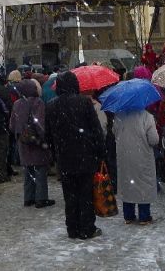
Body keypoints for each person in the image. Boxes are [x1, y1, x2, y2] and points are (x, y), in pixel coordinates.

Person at [46, 72, 105, 239]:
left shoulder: (51, 106)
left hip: (65, 157)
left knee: (70, 195)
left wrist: (55, 151)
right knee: (86, 194)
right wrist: (100, 152)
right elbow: (96, 130)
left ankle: (72, 227)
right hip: (86, 156)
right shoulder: (84, 103)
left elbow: (48, 134)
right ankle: (87, 227)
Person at [10, 79, 54, 209]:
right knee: (40, 170)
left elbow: (12, 125)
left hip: (23, 141)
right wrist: (43, 139)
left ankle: (28, 198)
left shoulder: (17, 103)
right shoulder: (38, 102)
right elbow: (39, 124)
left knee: (28, 171)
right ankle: (41, 199)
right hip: (36, 142)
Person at [114, 107, 159, 225]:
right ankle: (144, 216)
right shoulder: (147, 117)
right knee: (143, 184)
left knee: (127, 183)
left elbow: (114, 132)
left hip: (124, 156)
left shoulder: (119, 115)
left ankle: (128, 215)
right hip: (142, 156)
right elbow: (154, 140)